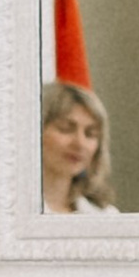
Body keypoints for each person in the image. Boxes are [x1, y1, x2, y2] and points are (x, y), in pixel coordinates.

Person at [41, 78, 116, 214]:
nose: (80, 144)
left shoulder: (105, 216)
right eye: (65, 129)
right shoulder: (5, 215)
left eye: (90, 134)